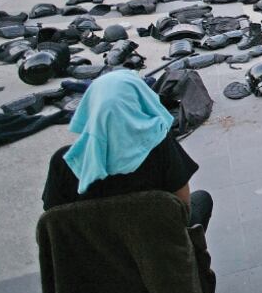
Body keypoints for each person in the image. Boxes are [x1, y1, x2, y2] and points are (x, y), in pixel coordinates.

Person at [42, 70, 212, 231]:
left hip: (92, 256)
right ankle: (193, 256)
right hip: (157, 250)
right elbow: (184, 208)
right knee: (202, 199)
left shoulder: (65, 161)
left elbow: (53, 221)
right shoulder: (160, 147)